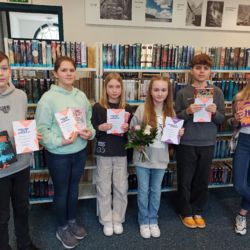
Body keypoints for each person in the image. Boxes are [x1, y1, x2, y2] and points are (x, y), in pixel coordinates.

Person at [35, 56, 95, 249]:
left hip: (79, 151)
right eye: (64, 70)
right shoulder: (48, 99)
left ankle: (71, 221)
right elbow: (42, 131)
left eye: (71, 70)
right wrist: (61, 140)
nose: (69, 73)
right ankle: (61, 227)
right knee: (62, 191)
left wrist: (89, 133)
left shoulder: (81, 96)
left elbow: (89, 123)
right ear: (55, 73)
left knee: (74, 188)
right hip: (59, 154)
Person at [130, 76, 184, 239]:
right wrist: (136, 140)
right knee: (143, 190)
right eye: (156, 90)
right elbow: (132, 131)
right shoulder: (142, 109)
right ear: (150, 91)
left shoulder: (171, 111)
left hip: (161, 158)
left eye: (163, 90)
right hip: (143, 158)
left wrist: (179, 134)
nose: (160, 93)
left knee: (155, 191)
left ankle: (153, 219)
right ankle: (143, 220)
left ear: (168, 92)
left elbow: (172, 138)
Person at [175, 53, 225, 229]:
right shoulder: (183, 93)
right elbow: (176, 118)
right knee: (185, 179)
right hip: (187, 142)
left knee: (202, 179)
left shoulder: (217, 93)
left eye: (205, 68)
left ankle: (197, 210)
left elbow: (221, 119)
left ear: (210, 71)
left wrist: (214, 112)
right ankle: (185, 211)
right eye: (198, 67)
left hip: (208, 143)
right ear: (191, 70)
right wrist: (187, 111)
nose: (201, 71)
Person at [0, 51, 40, 250]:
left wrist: (32, 136)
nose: (1, 73)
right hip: (0, 170)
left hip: (22, 164)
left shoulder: (21, 96)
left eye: (4, 68)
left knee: (23, 208)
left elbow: (22, 125)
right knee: (2, 215)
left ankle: (24, 243)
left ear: (10, 70)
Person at [91, 72, 133, 236]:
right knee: (104, 186)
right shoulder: (98, 107)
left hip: (121, 152)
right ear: (105, 88)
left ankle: (118, 217)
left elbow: (132, 135)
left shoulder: (127, 108)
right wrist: (99, 128)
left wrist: (127, 129)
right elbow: (92, 129)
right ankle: (106, 219)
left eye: (117, 86)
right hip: (104, 152)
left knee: (121, 186)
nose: (114, 90)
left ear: (122, 88)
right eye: (110, 86)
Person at [229, 81, 250, 235]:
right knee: (239, 185)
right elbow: (232, 123)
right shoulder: (240, 97)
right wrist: (236, 118)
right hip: (243, 141)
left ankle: (242, 215)